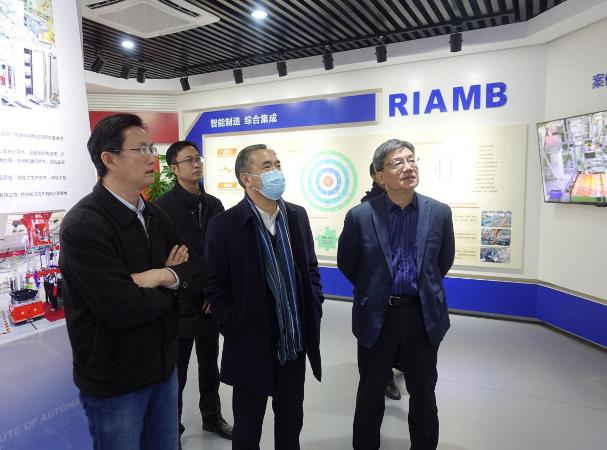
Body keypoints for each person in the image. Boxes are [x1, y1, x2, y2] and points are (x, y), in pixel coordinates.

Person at [59, 114, 204, 450]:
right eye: (141, 149)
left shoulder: (154, 215)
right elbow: (121, 308)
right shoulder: (84, 225)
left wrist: (160, 276)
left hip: (163, 370)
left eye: (152, 148)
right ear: (109, 159)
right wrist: (174, 287)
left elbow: (198, 269)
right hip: (116, 382)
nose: (153, 157)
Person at [337, 139, 455, 450]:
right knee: (370, 393)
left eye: (411, 159)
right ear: (379, 176)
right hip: (378, 316)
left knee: (424, 393)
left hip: (422, 316)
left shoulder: (439, 212)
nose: (408, 167)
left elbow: (443, 261)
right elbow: (347, 262)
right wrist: (374, 289)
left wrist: (421, 289)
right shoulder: (360, 216)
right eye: (397, 162)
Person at [204, 144, 324, 450]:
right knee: (247, 428)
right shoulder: (224, 225)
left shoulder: (296, 216)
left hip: (294, 341)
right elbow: (216, 285)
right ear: (247, 179)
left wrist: (314, 304)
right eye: (267, 166)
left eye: (277, 164)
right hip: (251, 343)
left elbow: (310, 268)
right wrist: (232, 326)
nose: (276, 172)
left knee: (290, 422)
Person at [155, 140, 233, 441]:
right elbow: (168, 259)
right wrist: (198, 288)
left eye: (198, 158)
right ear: (174, 169)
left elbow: (222, 252)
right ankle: (171, 429)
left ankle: (212, 418)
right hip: (180, 302)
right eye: (188, 160)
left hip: (210, 302)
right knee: (177, 371)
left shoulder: (214, 204)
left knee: (210, 366)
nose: (196, 164)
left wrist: (215, 292)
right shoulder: (161, 208)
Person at [360, 161, 401, 401]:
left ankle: (397, 363)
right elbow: (350, 259)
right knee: (379, 336)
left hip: (406, 290)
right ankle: (384, 378)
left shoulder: (411, 203)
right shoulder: (367, 208)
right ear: (378, 176)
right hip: (378, 290)